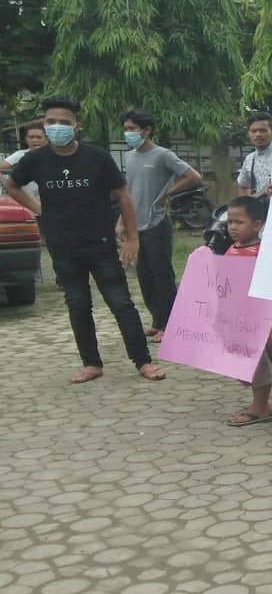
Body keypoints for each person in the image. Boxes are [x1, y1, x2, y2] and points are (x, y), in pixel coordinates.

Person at [2, 97, 165, 383]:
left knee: (121, 303)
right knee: (77, 303)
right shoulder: (36, 160)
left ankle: (143, 361)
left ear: (77, 127)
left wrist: (132, 238)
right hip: (63, 247)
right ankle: (91, 363)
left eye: (64, 122)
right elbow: (12, 184)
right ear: (43, 124)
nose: (56, 127)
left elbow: (123, 196)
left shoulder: (97, 157)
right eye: (50, 122)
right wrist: (38, 209)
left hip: (100, 243)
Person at [118, 108, 202, 343]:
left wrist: (168, 192)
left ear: (146, 130)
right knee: (144, 274)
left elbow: (193, 176)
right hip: (136, 226)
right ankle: (157, 321)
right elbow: (129, 192)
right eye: (125, 129)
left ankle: (172, 323)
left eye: (132, 129)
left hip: (156, 224)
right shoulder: (130, 157)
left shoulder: (162, 155)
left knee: (161, 274)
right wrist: (121, 222)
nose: (129, 133)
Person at [222, 196, 272, 427]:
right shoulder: (232, 248)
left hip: (257, 320)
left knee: (259, 362)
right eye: (230, 222)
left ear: (257, 225)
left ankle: (261, 406)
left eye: (239, 222)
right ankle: (259, 401)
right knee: (244, 362)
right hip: (235, 318)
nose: (233, 227)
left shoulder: (263, 253)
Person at [1, 124, 49, 202]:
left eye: (38, 137)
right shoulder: (19, 155)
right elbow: (2, 167)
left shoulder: (54, 155)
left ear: (46, 139)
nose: (35, 140)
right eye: (31, 137)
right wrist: (7, 185)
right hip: (27, 202)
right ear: (26, 139)